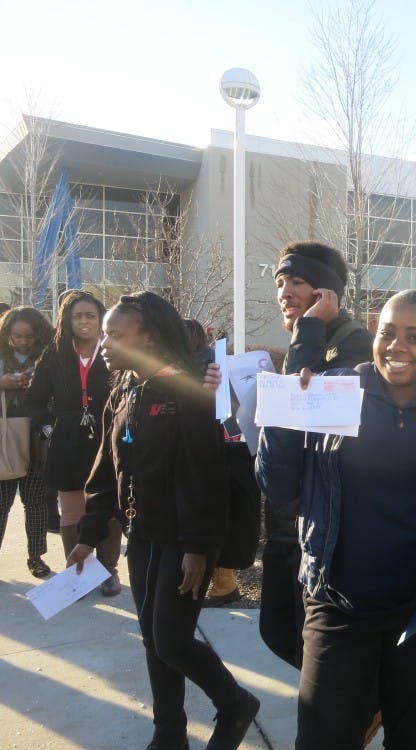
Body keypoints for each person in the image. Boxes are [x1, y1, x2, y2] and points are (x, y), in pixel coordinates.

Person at [257, 289, 416, 749]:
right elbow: (278, 487)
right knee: (322, 738)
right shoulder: (338, 391)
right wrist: (284, 415)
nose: (396, 346)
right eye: (387, 333)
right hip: (339, 605)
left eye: (415, 336)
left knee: (415, 738)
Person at [67, 292, 259, 750]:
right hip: (146, 536)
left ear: (148, 337)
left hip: (187, 539)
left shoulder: (190, 392)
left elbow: (204, 477)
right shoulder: (125, 389)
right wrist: (89, 534)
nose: (104, 341)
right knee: (154, 642)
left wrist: (197, 547)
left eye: (116, 333)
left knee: (171, 640)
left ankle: (235, 704)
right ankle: (168, 732)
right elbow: (107, 470)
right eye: (105, 333)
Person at [258, 240, 374, 667]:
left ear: (326, 294)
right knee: (280, 633)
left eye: (298, 282)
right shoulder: (311, 340)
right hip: (290, 515)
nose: (285, 292)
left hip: (318, 523)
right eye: (280, 282)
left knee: (311, 648)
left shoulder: (355, 348)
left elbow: (307, 418)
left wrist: (307, 332)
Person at [25, 291, 122, 595]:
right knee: (71, 510)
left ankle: (108, 571)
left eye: (90, 315)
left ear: (100, 318)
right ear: (67, 320)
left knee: (107, 504)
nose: (84, 321)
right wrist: (47, 428)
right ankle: (78, 573)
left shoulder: (113, 348)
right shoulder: (54, 353)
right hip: (65, 438)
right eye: (77, 316)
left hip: (106, 437)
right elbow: (34, 400)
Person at [0, 306, 55, 579]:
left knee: (35, 502)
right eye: (16, 336)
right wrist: (3, 383)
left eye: (28, 337)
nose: (22, 341)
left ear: (39, 336)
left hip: (37, 440)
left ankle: (36, 557)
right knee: (1, 503)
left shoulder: (48, 357)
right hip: (5, 440)